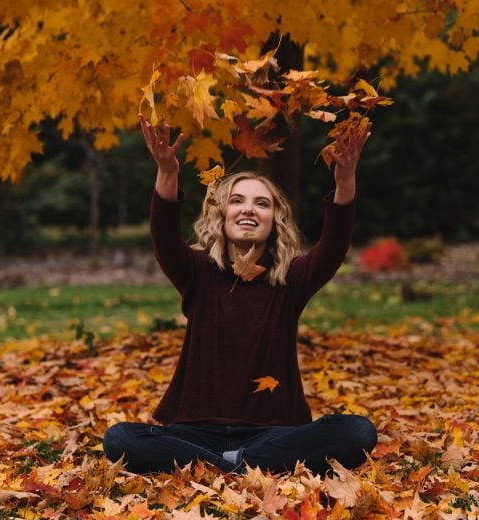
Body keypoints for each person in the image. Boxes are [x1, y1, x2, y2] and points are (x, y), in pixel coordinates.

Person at [102, 114, 377, 476]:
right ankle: (240, 467)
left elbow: (333, 246)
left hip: (272, 434)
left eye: (262, 203)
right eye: (237, 201)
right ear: (222, 214)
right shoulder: (197, 272)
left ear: (275, 219)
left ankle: (226, 467)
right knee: (119, 437)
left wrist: (344, 181)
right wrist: (167, 172)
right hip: (194, 431)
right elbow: (164, 237)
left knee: (358, 431)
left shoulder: (291, 279)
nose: (248, 208)